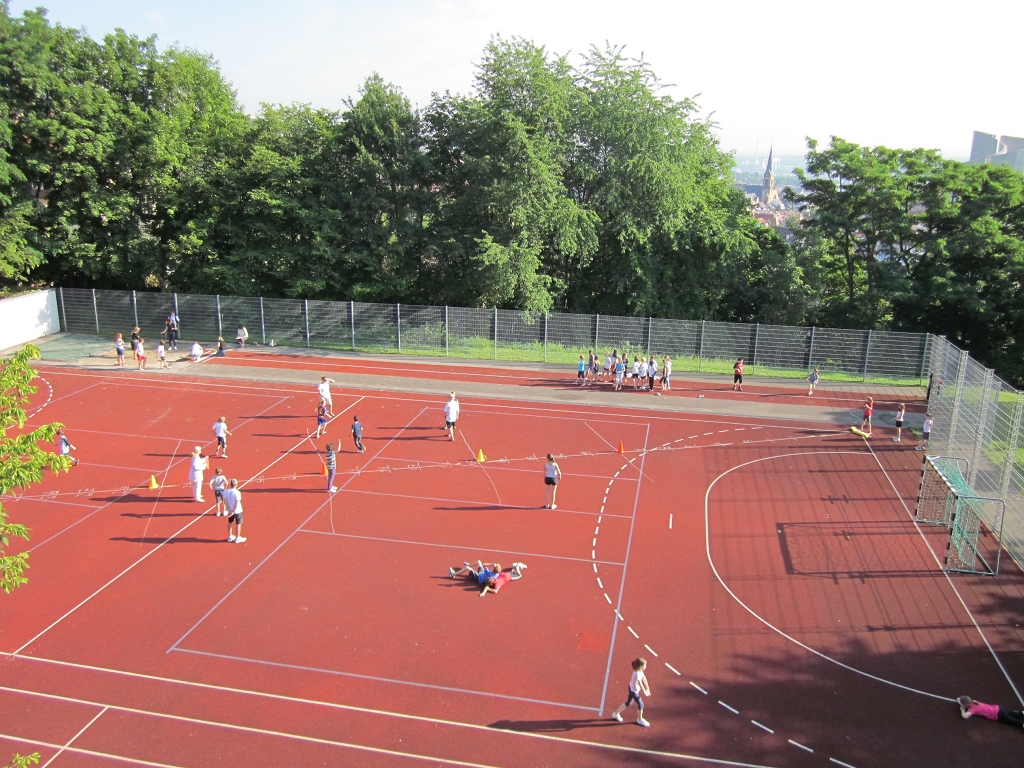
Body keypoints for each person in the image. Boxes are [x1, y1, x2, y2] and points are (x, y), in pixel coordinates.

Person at [610, 658, 651, 727]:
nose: (646, 667)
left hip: (632, 688)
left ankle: (615, 714)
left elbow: (644, 678)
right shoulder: (637, 674)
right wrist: (645, 691)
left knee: (629, 703)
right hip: (634, 691)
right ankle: (640, 719)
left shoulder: (640, 671)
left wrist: (647, 688)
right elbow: (640, 683)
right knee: (641, 705)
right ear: (641, 667)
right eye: (645, 666)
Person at [957, 695, 1024, 728]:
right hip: (1000, 708)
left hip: (999, 714)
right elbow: (958, 699)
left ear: (965, 705)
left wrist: (962, 710)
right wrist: (962, 703)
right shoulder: (974, 701)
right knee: (1016, 714)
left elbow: (965, 716)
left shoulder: (973, 709)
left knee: (1015, 722)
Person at [222, 478, 246, 543]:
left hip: (230, 510)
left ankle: (230, 536)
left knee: (230, 522)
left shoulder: (226, 492)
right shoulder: (237, 492)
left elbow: (225, 501)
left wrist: (229, 509)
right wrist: (233, 511)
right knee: (238, 524)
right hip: (237, 511)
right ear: (236, 484)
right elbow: (237, 503)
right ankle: (237, 538)